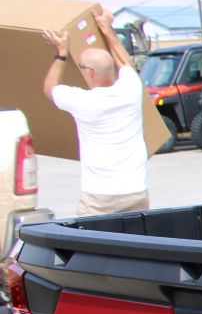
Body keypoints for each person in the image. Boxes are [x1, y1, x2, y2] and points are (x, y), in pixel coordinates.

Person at [40, 16, 149, 215]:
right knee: (133, 243)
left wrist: (62, 52)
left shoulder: (84, 102)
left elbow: (49, 89)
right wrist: (107, 30)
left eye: (81, 67)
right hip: (136, 191)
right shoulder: (131, 90)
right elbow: (125, 61)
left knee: (89, 244)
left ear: (90, 72)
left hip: (100, 196)